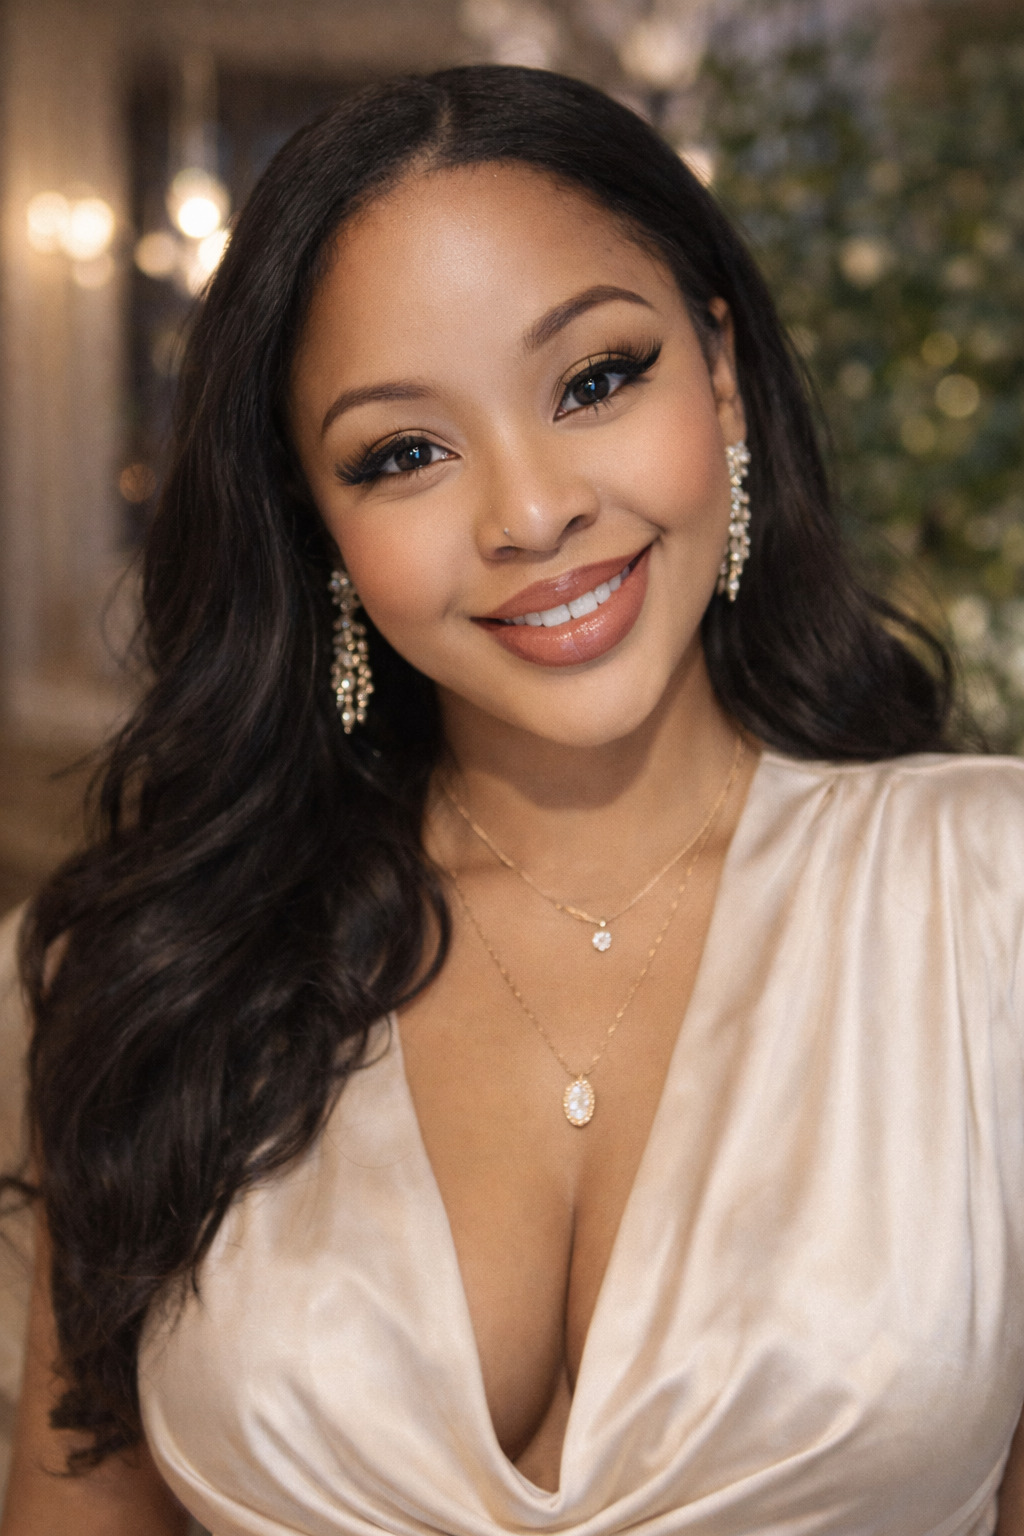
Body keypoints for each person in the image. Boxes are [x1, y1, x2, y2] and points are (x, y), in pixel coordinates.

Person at [1, 62, 1023, 1536]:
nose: (532, 512)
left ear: (721, 373)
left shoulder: (984, 904)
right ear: (318, 529)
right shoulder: (163, 977)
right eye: (403, 452)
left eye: (597, 379)